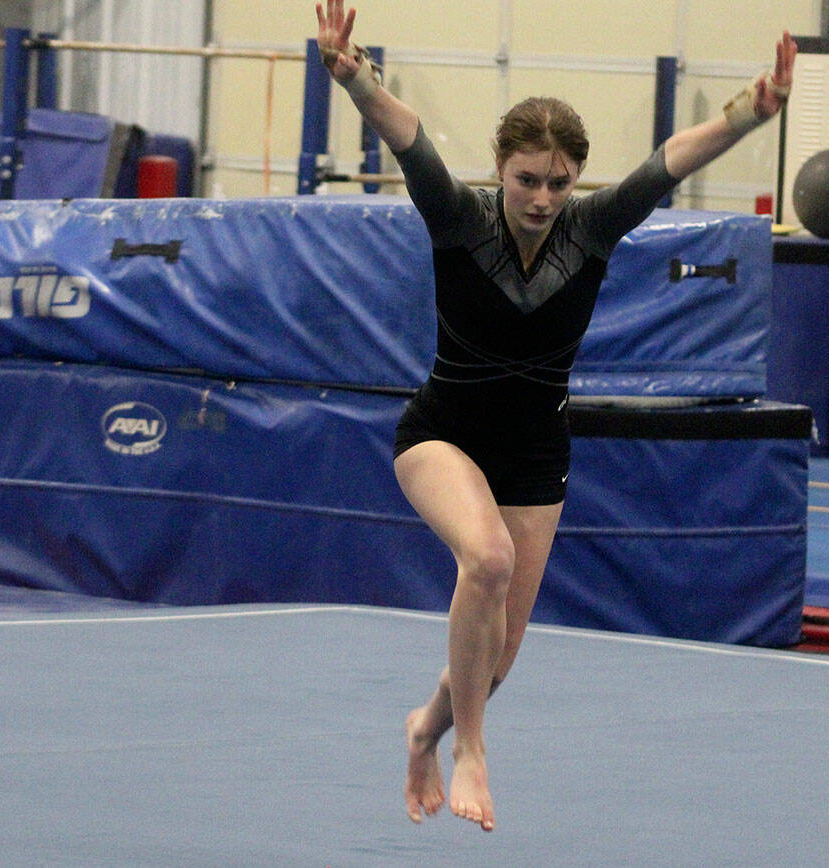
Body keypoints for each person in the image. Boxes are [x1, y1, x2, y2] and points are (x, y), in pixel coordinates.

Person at [315, 0, 796, 832]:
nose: (541, 197)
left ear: (577, 178)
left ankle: (425, 729)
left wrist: (748, 112)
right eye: (526, 179)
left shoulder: (595, 229)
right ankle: (472, 749)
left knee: (499, 654)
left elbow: (670, 161)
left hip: (537, 452)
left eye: (558, 181)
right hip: (442, 433)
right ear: (501, 169)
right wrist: (356, 76)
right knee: (488, 561)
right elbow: (410, 136)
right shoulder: (459, 218)